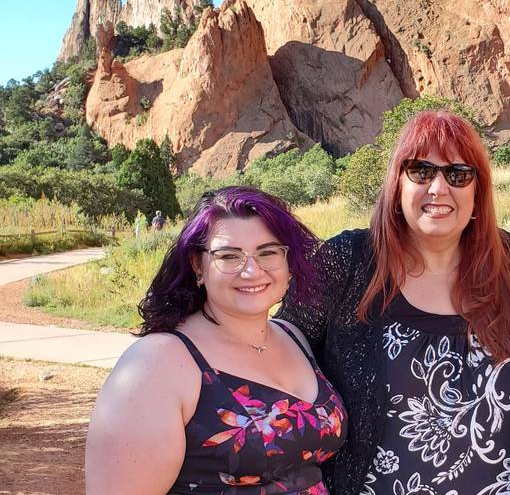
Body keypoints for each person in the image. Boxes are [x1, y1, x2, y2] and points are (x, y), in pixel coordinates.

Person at [278, 110, 510, 495]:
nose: (438, 188)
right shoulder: (348, 261)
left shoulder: (508, 261)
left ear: (477, 192)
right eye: (421, 171)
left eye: (458, 174)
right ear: (397, 184)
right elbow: (274, 350)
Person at [85, 186, 346, 495]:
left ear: (289, 260)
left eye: (268, 252)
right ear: (198, 264)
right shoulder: (158, 363)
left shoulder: (294, 337)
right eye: (229, 256)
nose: (252, 270)